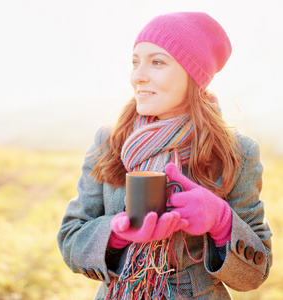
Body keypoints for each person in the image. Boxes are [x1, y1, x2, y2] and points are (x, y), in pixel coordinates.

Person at [57, 12, 273, 300]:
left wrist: (221, 221)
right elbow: (71, 237)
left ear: (193, 74)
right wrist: (117, 233)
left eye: (157, 62)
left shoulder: (237, 152)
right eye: (135, 62)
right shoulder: (110, 141)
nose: (138, 76)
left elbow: (255, 273)